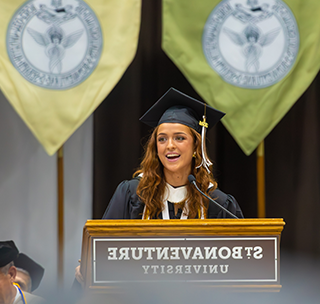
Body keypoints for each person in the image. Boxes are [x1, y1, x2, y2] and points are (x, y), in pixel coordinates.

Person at [102, 87, 244, 220]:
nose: (170, 145)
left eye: (179, 138)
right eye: (162, 139)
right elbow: (104, 243)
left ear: (196, 146)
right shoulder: (133, 194)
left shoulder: (216, 202)